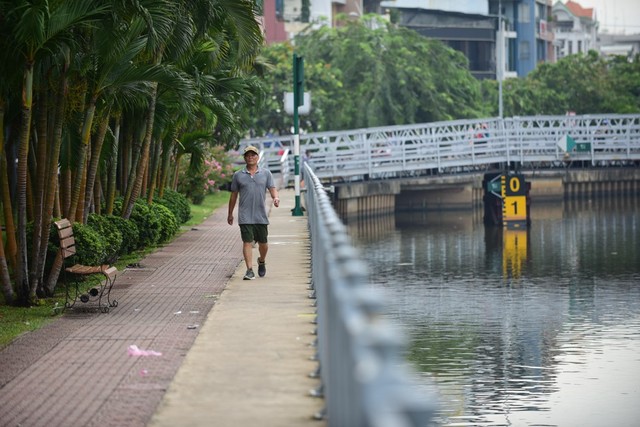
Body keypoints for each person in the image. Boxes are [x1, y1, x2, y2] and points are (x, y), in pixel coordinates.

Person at [227, 145, 280, 280]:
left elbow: (272, 188)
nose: (250, 157)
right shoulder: (238, 175)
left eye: (253, 155)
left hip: (260, 215)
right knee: (247, 242)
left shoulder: (266, 173)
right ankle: (249, 270)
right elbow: (233, 196)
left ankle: (261, 260)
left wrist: (276, 198)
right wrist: (230, 213)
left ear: (258, 157)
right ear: (245, 158)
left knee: (264, 244)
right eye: (248, 155)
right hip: (245, 215)